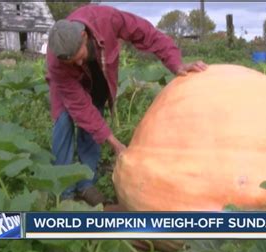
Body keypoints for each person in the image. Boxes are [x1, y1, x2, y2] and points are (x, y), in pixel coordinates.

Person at [46, 4, 208, 206]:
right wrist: (114, 143)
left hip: (98, 76)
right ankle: (64, 193)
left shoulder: (107, 18)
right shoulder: (57, 61)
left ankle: (86, 184)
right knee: (64, 124)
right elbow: (80, 108)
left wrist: (176, 63)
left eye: (79, 58)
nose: (79, 64)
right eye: (73, 62)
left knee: (94, 120)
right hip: (68, 86)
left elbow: (147, 34)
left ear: (84, 37)